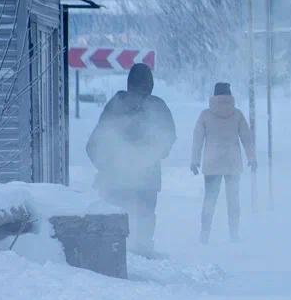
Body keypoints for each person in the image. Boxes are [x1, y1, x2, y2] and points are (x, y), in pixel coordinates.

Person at [86, 63, 176, 257]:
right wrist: (152, 156)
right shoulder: (158, 106)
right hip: (148, 177)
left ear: (129, 82)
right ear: (150, 83)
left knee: (116, 214)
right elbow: (168, 138)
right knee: (145, 214)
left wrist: (105, 167)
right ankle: (143, 247)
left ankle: (115, 249)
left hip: (116, 176)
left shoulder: (116, 104)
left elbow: (95, 143)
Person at [190, 82, 256, 243]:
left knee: (209, 200)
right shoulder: (237, 114)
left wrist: (195, 160)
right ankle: (234, 234)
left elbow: (197, 139)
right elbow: (247, 139)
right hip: (232, 162)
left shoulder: (205, 114)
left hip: (212, 163)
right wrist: (252, 158)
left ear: (214, 95)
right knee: (233, 200)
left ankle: (204, 235)